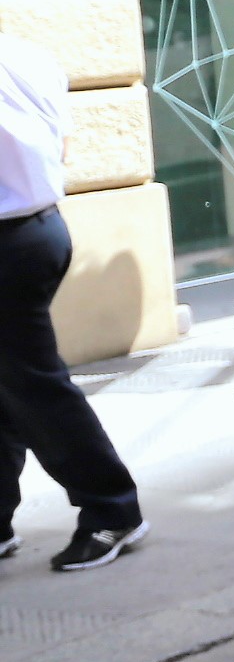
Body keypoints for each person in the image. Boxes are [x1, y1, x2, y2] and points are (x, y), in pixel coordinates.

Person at [0, 28, 141, 569]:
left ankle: (112, 510)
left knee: (34, 386)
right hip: (40, 229)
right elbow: (61, 145)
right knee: (12, 382)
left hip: (9, 240)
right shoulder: (29, 54)